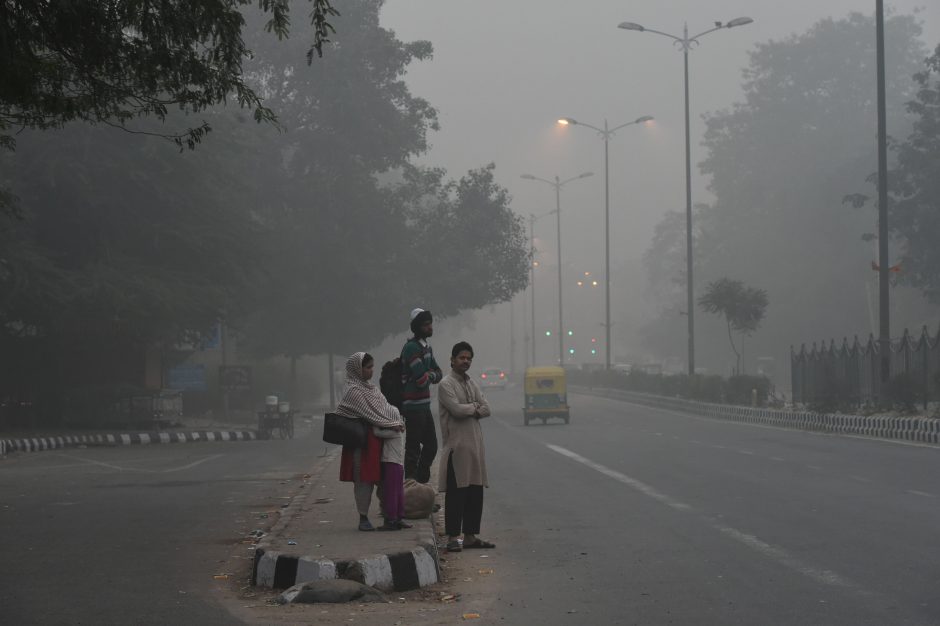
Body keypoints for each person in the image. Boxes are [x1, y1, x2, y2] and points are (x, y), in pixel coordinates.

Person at [335, 352, 404, 531]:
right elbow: (372, 414)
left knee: (385, 480)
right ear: (357, 369)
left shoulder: (371, 389)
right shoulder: (353, 391)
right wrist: (392, 422)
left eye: (372, 367)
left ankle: (391, 516)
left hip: (380, 440)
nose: (370, 371)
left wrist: (392, 419)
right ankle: (363, 517)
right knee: (363, 480)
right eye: (367, 367)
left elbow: (384, 408)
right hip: (361, 443)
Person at [438, 341, 494, 552]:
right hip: (457, 447)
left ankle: (470, 536)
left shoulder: (472, 384)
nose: (465, 361)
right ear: (452, 360)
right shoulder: (446, 384)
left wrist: (473, 408)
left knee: (474, 493)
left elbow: (488, 408)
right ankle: (454, 537)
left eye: (469, 358)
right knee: (456, 494)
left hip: (475, 447)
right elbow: (456, 410)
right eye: (461, 357)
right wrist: (474, 408)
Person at [400, 308, 443, 483]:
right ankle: (411, 490)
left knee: (431, 446)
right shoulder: (411, 348)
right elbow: (421, 380)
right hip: (413, 407)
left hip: (424, 406)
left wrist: (430, 374)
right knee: (413, 449)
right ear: (417, 327)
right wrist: (430, 374)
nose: (430, 327)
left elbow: (439, 373)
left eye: (430, 323)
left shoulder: (427, 348)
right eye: (426, 325)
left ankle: (420, 485)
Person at [372, 423, 412, 531]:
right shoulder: (398, 431)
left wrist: (373, 423)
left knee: (391, 493)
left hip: (391, 463)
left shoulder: (394, 432)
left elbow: (376, 433)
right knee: (398, 492)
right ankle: (399, 517)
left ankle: (391, 520)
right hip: (398, 465)